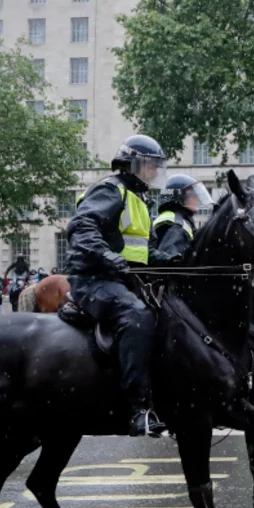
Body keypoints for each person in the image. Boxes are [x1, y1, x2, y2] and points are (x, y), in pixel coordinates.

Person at [65, 134, 169, 437]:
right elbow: (81, 228)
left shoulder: (140, 198)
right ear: (131, 164)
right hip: (95, 278)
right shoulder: (110, 189)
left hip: (127, 278)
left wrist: (177, 261)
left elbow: (145, 249)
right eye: (149, 165)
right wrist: (109, 258)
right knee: (137, 316)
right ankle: (138, 409)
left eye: (155, 167)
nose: (152, 172)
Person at [150, 173, 213, 263]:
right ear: (179, 196)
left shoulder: (178, 220)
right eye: (192, 194)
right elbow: (172, 263)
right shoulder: (177, 224)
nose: (197, 198)